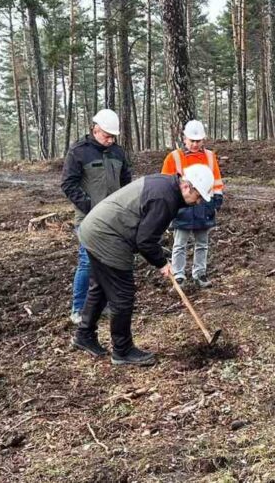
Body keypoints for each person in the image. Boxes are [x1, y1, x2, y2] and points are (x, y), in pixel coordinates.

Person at [72, 165, 216, 367]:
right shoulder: (165, 198)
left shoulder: (167, 186)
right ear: (187, 187)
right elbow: (145, 241)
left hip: (95, 229)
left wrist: (160, 256)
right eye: (199, 196)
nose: (198, 202)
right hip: (107, 235)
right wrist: (162, 263)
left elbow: (146, 231)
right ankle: (122, 350)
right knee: (123, 294)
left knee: (101, 287)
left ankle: (84, 335)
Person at [61, 109, 133, 324]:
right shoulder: (78, 152)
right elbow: (68, 184)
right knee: (87, 262)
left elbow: (126, 183)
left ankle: (104, 304)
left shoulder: (118, 153)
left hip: (114, 219)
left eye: (113, 137)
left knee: (111, 261)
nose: (110, 140)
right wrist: (90, 206)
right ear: (95, 130)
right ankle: (78, 308)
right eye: (106, 136)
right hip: (88, 219)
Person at [161, 120, 225, 289]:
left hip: (204, 205)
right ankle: (179, 275)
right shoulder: (174, 157)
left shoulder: (210, 157)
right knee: (180, 243)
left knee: (202, 243)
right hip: (182, 206)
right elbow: (165, 183)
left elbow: (216, 180)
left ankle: (200, 273)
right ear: (185, 139)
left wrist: (217, 197)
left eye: (198, 141)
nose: (195, 144)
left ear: (203, 140)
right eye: (192, 140)